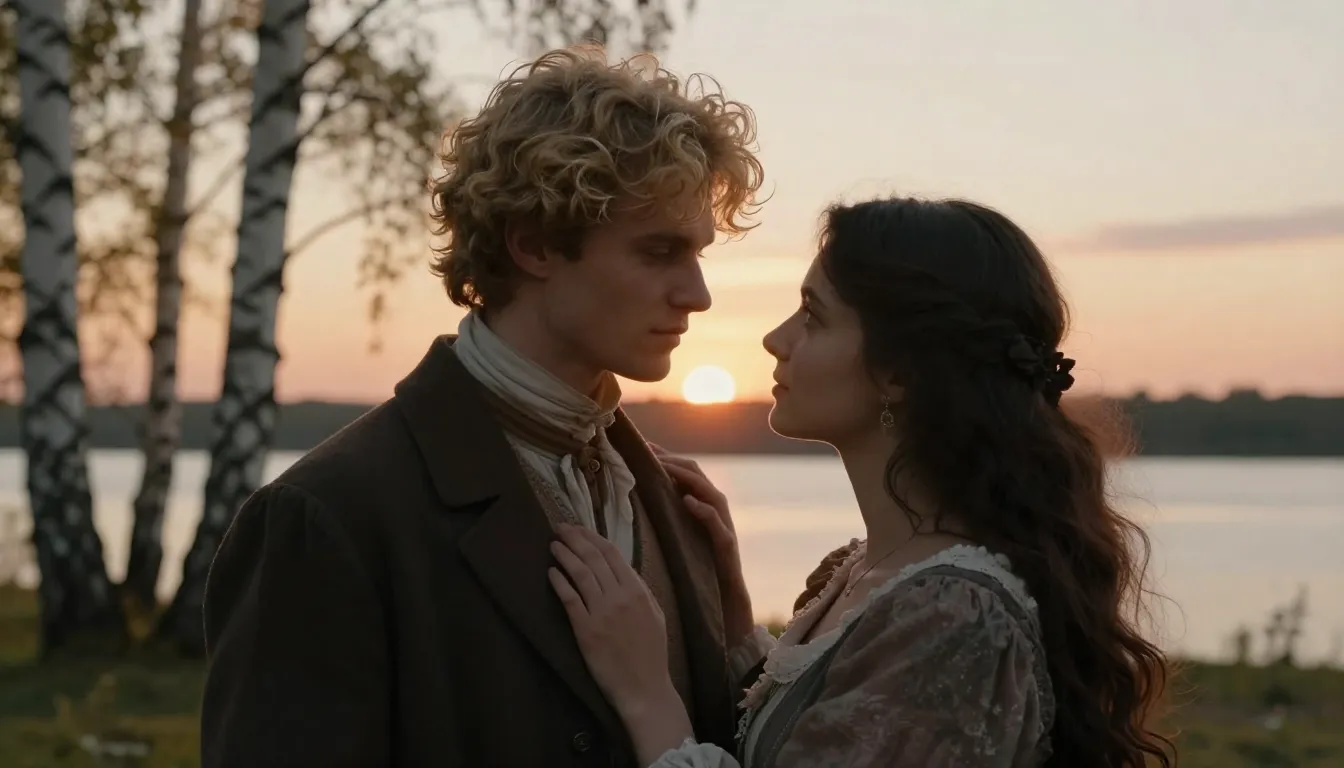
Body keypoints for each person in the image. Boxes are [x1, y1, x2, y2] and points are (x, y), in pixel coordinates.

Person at [199, 46, 765, 767]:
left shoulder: (678, 511)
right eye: (658, 252)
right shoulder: (328, 518)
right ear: (533, 245)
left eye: (699, 255)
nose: (698, 295)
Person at [548, 196, 1177, 767]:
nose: (775, 339)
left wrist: (645, 695)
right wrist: (734, 618)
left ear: (898, 372)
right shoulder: (865, 575)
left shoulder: (951, 619)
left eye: (813, 317)